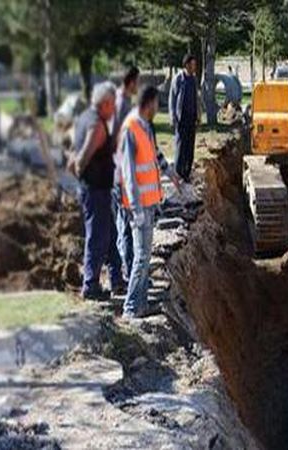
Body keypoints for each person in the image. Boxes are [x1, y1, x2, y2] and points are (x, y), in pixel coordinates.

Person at [70, 81, 125, 300]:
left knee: (110, 234)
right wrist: (83, 177)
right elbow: (80, 160)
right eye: (113, 105)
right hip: (95, 191)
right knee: (97, 237)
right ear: (105, 103)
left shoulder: (84, 118)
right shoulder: (97, 127)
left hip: (96, 190)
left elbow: (72, 154)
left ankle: (117, 279)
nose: (114, 110)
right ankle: (90, 285)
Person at [118, 86, 169, 319]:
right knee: (140, 258)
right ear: (149, 103)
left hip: (149, 203)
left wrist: (169, 175)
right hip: (138, 206)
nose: (158, 107)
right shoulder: (131, 129)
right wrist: (136, 208)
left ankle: (142, 305)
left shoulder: (145, 127)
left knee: (146, 257)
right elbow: (128, 173)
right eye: (156, 103)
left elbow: (153, 159)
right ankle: (130, 308)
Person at [113, 67, 141, 282]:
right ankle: (129, 271)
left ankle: (127, 268)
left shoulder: (122, 102)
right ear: (130, 82)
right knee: (125, 225)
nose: (138, 86)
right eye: (137, 82)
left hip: (121, 170)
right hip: (120, 173)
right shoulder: (121, 104)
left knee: (124, 224)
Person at [168, 54, 199, 182]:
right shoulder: (178, 79)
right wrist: (172, 117)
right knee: (181, 147)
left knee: (190, 148)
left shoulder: (194, 79)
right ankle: (178, 173)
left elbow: (196, 99)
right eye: (192, 65)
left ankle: (186, 173)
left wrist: (198, 115)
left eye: (195, 65)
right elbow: (172, 99)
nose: (194, 67)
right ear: (186, 65)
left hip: (192, 119)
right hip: (181, 119)